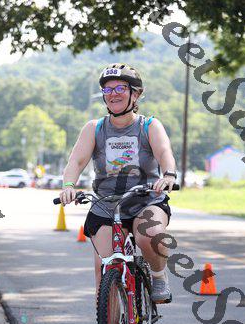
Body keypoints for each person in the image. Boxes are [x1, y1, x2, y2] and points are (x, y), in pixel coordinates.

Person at [59, 63, 177, 303]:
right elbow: (76, 161)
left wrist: (168, 175)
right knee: (105, 271)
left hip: (146, 200)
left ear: (136, 93)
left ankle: (158, 275)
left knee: (150, 235)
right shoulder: (94, 128)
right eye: (108, 89)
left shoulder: (149, 126)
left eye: (120, 88)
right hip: (106, 204)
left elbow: (164, 152)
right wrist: (68, 186)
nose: (113, 93)